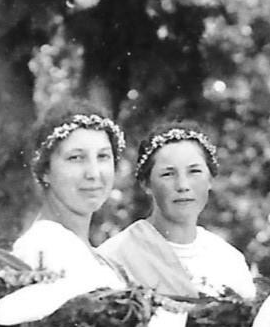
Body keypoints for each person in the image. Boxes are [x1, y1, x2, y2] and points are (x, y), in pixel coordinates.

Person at [96, 122, 256, 300]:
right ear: (146, 184)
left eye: (194, 171)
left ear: (210, 179)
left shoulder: (228, 260)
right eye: (168, 174)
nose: (183, 185)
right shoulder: (115, 257)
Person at [10, 105, 128, 289]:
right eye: (76, 158)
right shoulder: (43, 248)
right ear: (45, 170)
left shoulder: (96, 255)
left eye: (103, 156)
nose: (93, 173)